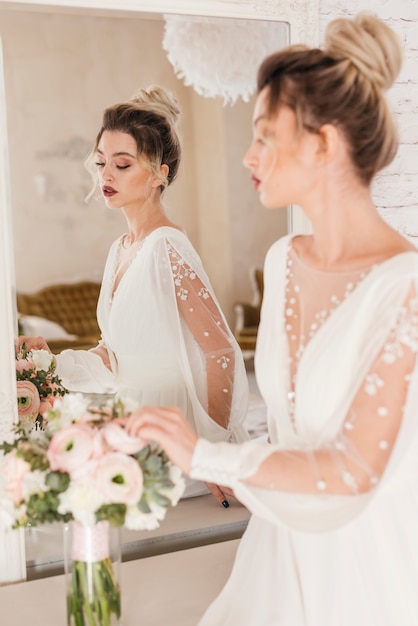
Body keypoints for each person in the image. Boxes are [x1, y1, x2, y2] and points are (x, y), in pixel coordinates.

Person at [121, 13, 418, 625]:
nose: (248, 155)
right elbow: (287, 428)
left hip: (362, 565)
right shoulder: (284, 260)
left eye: (263, 135)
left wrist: (203, 455)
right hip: (276, 552)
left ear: (324, 142)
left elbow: (354, 470)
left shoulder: (406, 289)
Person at [19, 85, 249, 503]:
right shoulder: (121, 249)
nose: (106, 175)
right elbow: (114, 353)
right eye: (102, 162)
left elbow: (220, 353)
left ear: (161, 173)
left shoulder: (167, 247)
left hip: (177, 442)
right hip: (133, 434)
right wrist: (46, 365)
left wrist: (209, 453)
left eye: (122, 164)